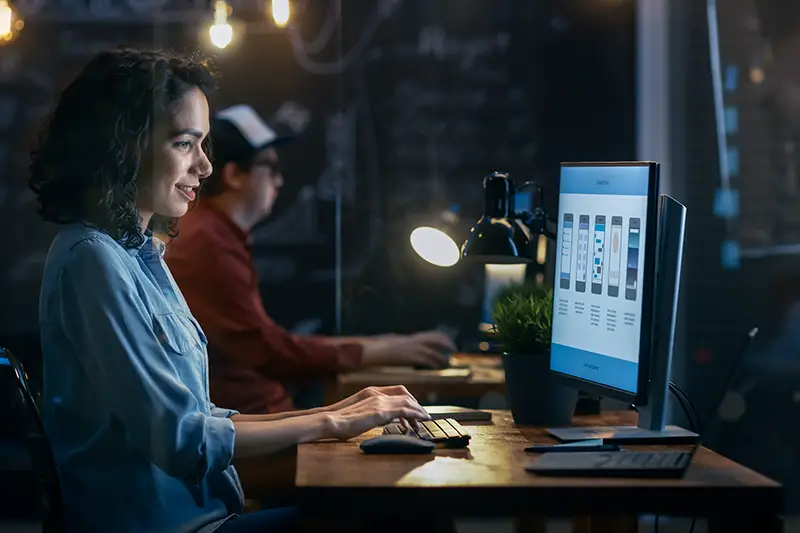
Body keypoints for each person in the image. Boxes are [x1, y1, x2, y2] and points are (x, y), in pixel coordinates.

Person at [28, 47, 431, 533]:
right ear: (125, 145)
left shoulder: (138, 254)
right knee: (402, 516)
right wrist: (332, 424)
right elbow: (182, 441)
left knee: (403, 506)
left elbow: (198, 415)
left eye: (203, 145)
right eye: (185, 143)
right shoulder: (91, 258)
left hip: (206, 518)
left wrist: (338, 410)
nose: (205, 167)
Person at [164, 104, 457, 414]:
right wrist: (384, 349)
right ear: (235, 175)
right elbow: (268, 351)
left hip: (249, 416)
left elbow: (266, 342)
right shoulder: (208, 242)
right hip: (247, 422)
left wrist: (384, 346)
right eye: (271, 168)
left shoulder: (215, 233)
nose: (279, 181)